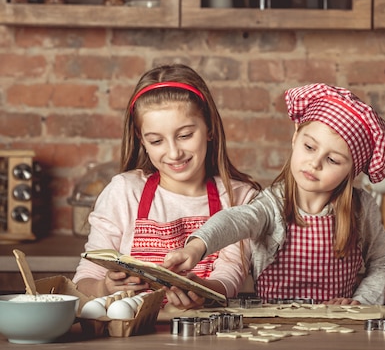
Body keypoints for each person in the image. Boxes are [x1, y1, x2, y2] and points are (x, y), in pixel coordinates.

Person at [163, 83, 385, 305]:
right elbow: (234, 220)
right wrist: (195, 247)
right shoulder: (271, 204)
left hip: (337, 327)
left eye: (333, 160)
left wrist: (360, 303)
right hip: (273, 323)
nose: (314, 163)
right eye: (309, 147)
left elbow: (383, 262)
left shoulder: (362, 209)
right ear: (296, 137)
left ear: (352, 171)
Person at [73, 64, 260, 309]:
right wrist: (104, 287)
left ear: (209, 129)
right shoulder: (123, 192)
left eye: (185, 135)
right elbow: (84, 278)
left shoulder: (239, 198)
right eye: (157, 140)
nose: (174, 152)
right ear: (142, 140)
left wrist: (202, 291)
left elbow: (230, 275)